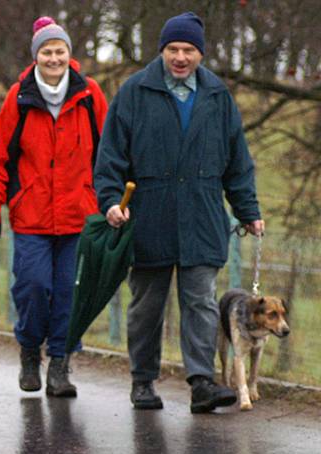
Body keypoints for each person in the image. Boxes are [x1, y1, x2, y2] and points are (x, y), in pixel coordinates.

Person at [93, 12, 264, 414]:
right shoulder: (135, 92)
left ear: (200, 54)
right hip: (148, 217)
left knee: (201, 302)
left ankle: (201, 382)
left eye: (189, 50)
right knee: (147, 306)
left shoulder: (218, 97)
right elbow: (110, 158)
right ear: (162, 51)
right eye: (173, 49)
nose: (181, 57)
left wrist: (248, 210)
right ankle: (143, 381)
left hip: (202, 217)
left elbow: (238, 162)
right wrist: (110, 202)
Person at [0, 16, 108, 397]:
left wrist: (108, 200)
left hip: (79, 214)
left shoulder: (89, 95)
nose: (54, 58)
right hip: (31, 214)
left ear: (70, 54)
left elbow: (110, 152)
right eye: (47, 52)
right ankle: (30, 350)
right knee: (33, 287)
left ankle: (61, 366)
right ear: (36, 57)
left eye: (60, 51)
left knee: (70, 291)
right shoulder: (19, 96)